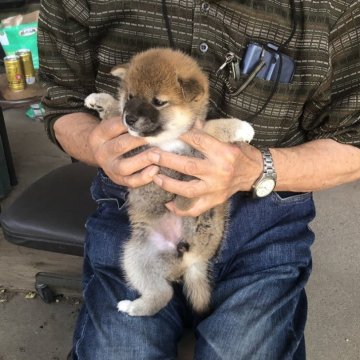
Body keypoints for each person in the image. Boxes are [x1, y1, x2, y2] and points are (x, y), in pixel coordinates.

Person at [37, 0, 360, 359]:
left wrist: (259, 167)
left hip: (265, 208)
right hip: (138, 207)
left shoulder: (334, 8)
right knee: (120, 349)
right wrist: (96, 145)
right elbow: (61, 101)